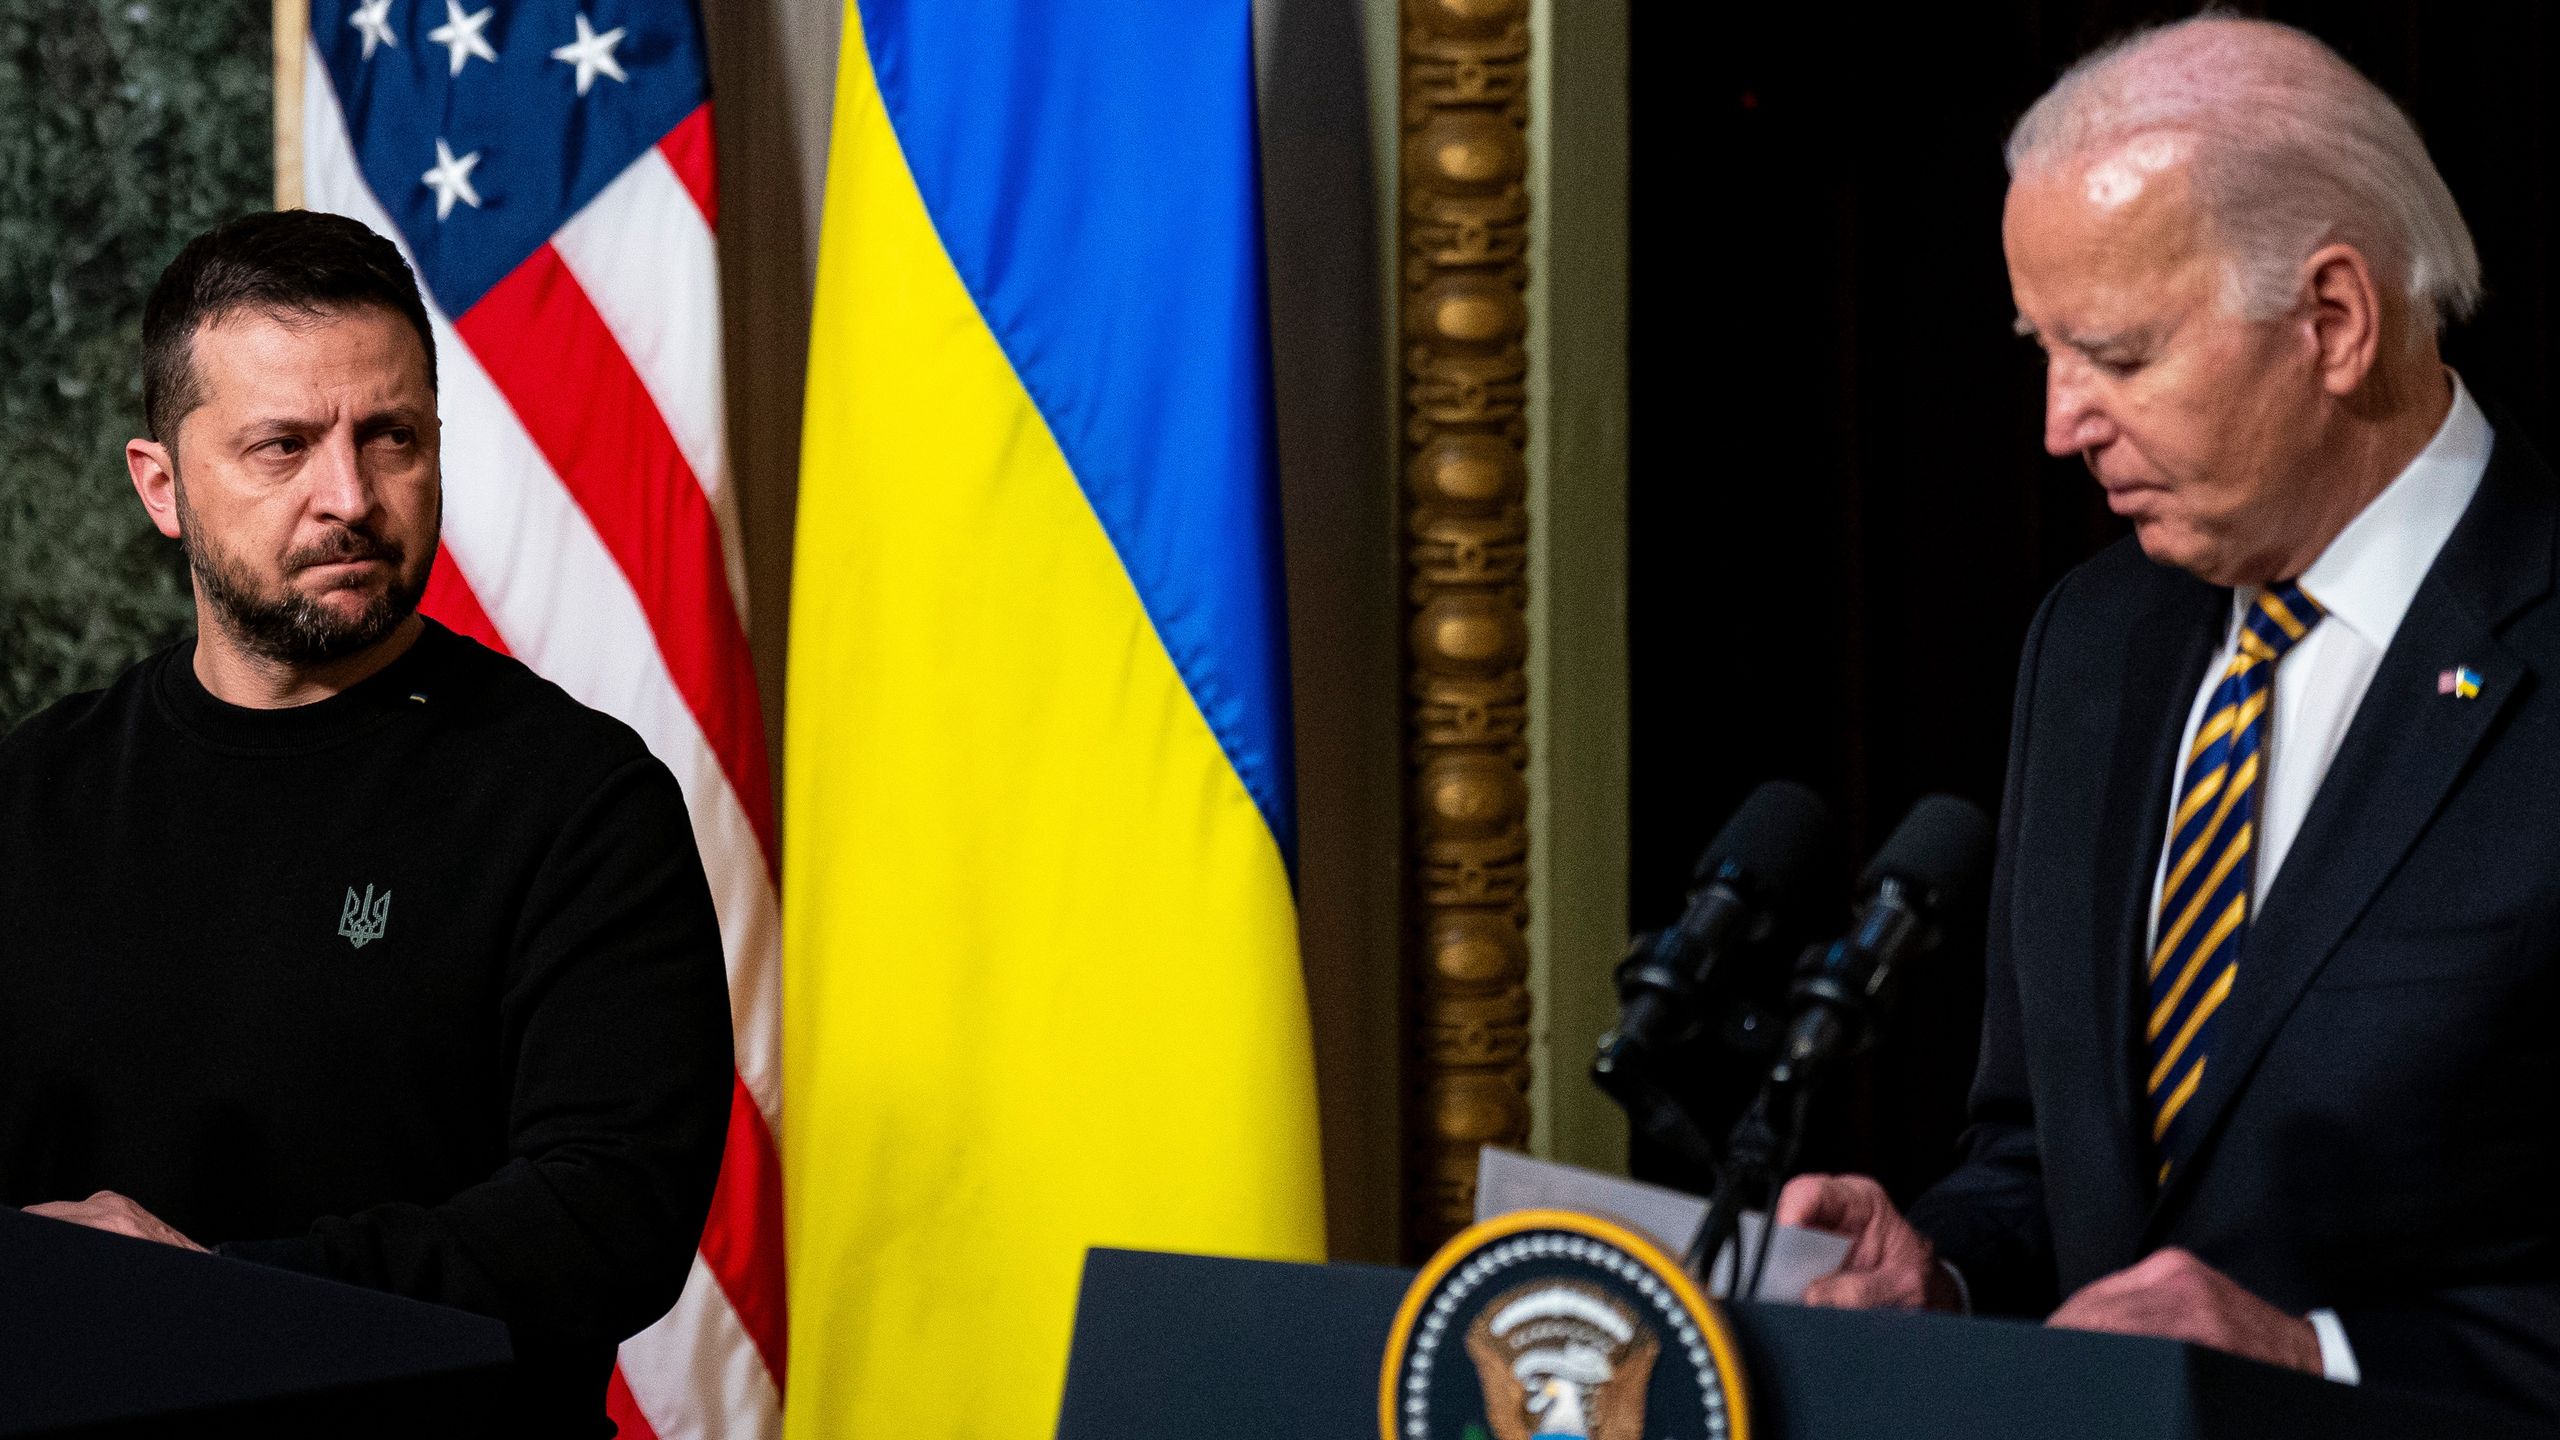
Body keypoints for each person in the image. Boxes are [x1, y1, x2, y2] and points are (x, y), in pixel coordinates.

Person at [1777, 16, 2560, 1422]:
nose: (2060, 425)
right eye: (2043, 350)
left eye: (2117, 356)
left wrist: (2316, 1355)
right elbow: (2044, 1169)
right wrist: (1942, 1273)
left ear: (2332, 321)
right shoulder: (2095, 642)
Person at [0, 211, 734, 1434]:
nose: (350, 496)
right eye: (281, 447)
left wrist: (218, 1294)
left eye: (390, 437)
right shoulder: (32, 795)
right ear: (161, 486)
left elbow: (612, 1218)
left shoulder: (582, 802)